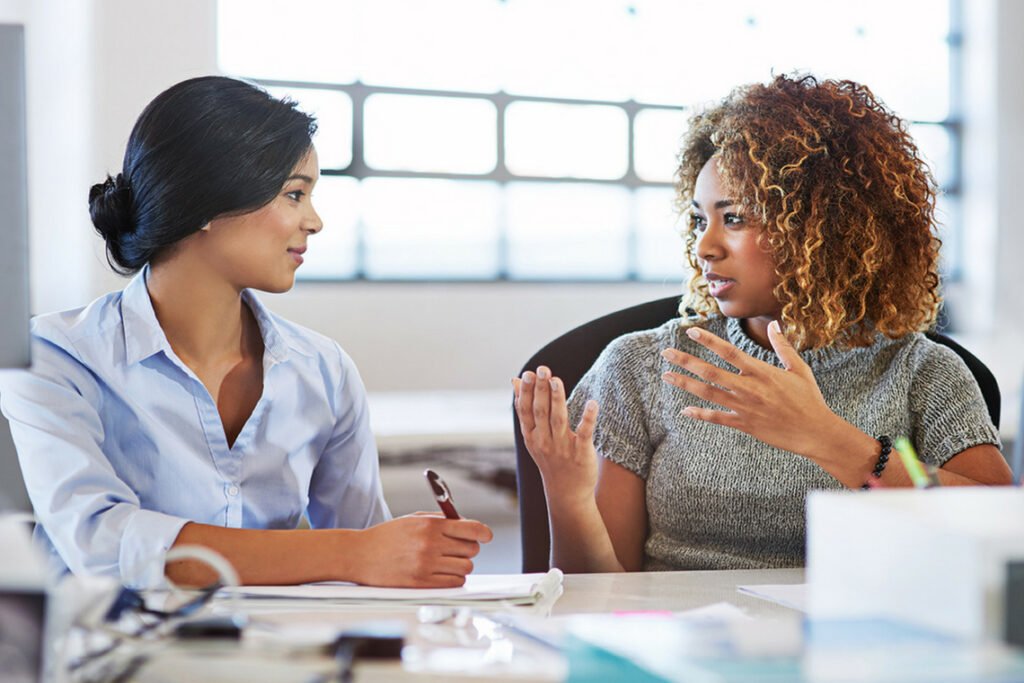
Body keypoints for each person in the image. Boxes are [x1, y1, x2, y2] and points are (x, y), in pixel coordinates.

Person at [0, 76, 491, 589]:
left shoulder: (324, 370)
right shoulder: (54, 356)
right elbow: (102, 544)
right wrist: (351, 553)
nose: (315, 222)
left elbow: (366, 551)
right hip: (110, 660)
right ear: (206, 202)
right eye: (294, 194)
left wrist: (407, 557)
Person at [513, 74, 1013, 574]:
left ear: (823, 225)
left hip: (861, 643)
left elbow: (997, 525)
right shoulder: (642, 367)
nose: (704, 246)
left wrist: (833, 441)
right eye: (698, 219)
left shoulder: (920, 373)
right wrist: (566, 493)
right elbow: (602, 597)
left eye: (734, 218)